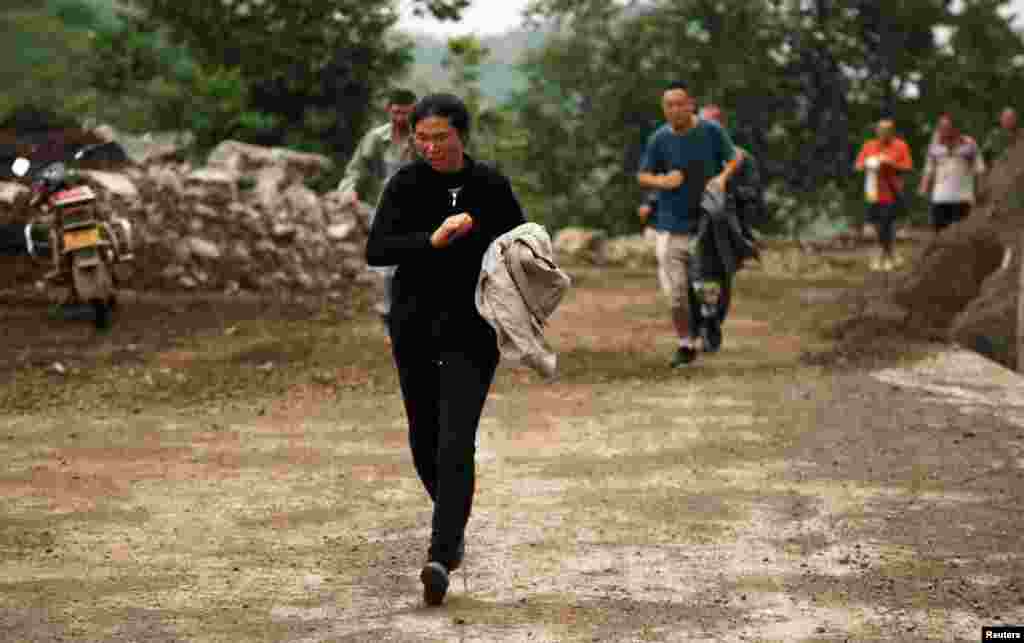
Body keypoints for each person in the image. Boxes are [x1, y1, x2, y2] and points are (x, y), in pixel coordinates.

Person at [365, 93, 526, 607]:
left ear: (462, 135)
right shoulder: (406, 183)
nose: (431, 147)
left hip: (474, 330)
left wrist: (482, 230)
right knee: (423, 441)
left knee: (456, 439)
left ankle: (440, 551)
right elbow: (377, 249)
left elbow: (523, 243)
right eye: (423, 138)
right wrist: (429, 242)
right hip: (413, 326)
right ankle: (452, 521)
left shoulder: (490, 186)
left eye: (441, 137)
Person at [637, 81, 741, 367]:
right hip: (670, 226)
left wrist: (721, 178)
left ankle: (710, 322)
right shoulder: (659, 139)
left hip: (707, 222)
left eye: (680, 103)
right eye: (669, 105)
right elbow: (643, 176)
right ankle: (686, 343)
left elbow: (734, 158)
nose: (675, 109)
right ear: (664, 109)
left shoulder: (710, 131)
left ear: (690, 104)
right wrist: (662, 181)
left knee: (710, 285)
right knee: (676, 294)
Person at [339, 88, 418, 329]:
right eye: (396, 113)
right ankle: (389, 318)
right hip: (385, 209)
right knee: (386, 269)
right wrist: (349, 189)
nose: (400, 119)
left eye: (406, 114)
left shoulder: (424, 139)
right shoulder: (376, 138)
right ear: (389, 110)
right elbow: (356, 168)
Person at [854, 118, 913, 272]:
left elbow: (907, 167)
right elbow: (858, 165)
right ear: (876, 131)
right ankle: (887, 254)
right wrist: (867, 163)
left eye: (886, 131)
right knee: (876, 224)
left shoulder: (900, 146)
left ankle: (885, 255)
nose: (883, 134)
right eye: (880, 130)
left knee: (887, 222)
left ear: (892, 132)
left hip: (892, 190)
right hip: (872, 191)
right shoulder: (869, 146)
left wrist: (890, 163)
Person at [918, 113, 985, 235]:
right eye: (941, 127)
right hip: (940, 198)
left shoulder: (969, 143)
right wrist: (924, 186)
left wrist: (980, 188)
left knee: (961, 236)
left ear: (955, 128)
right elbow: (929, 168)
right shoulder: (934, 145)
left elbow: (979, 168)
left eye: (947, 127)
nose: (944, 130)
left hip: (962, 199)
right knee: (939, 235)